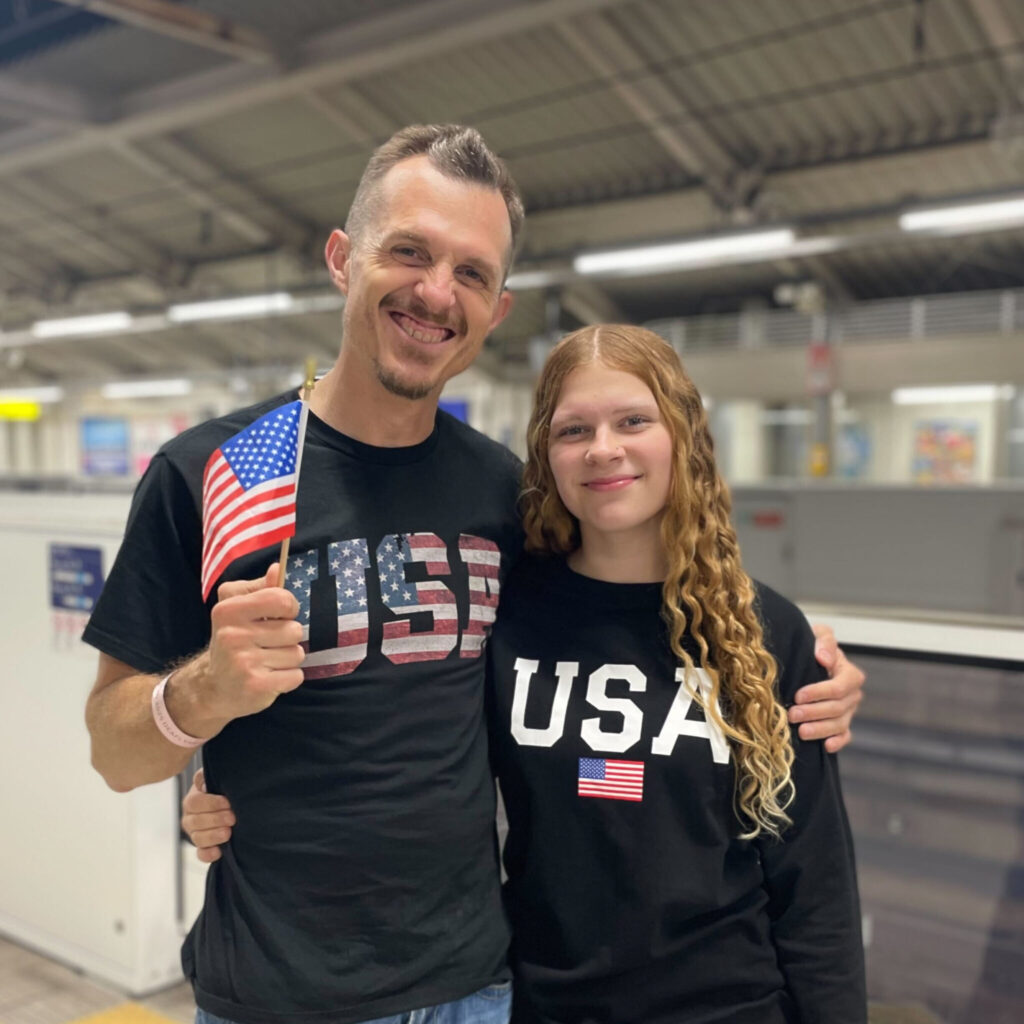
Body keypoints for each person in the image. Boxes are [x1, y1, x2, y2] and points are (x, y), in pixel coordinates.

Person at [85, 124, 864, 1024]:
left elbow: (630, 602)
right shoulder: (217, 472)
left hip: (478, 990)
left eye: (471, 273)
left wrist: (809, 671)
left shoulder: (506, 493)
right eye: (408, 252)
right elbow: (113, 750)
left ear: (496, 310)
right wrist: (200, 699)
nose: (434, 292)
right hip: (275, 990)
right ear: (343, 258)